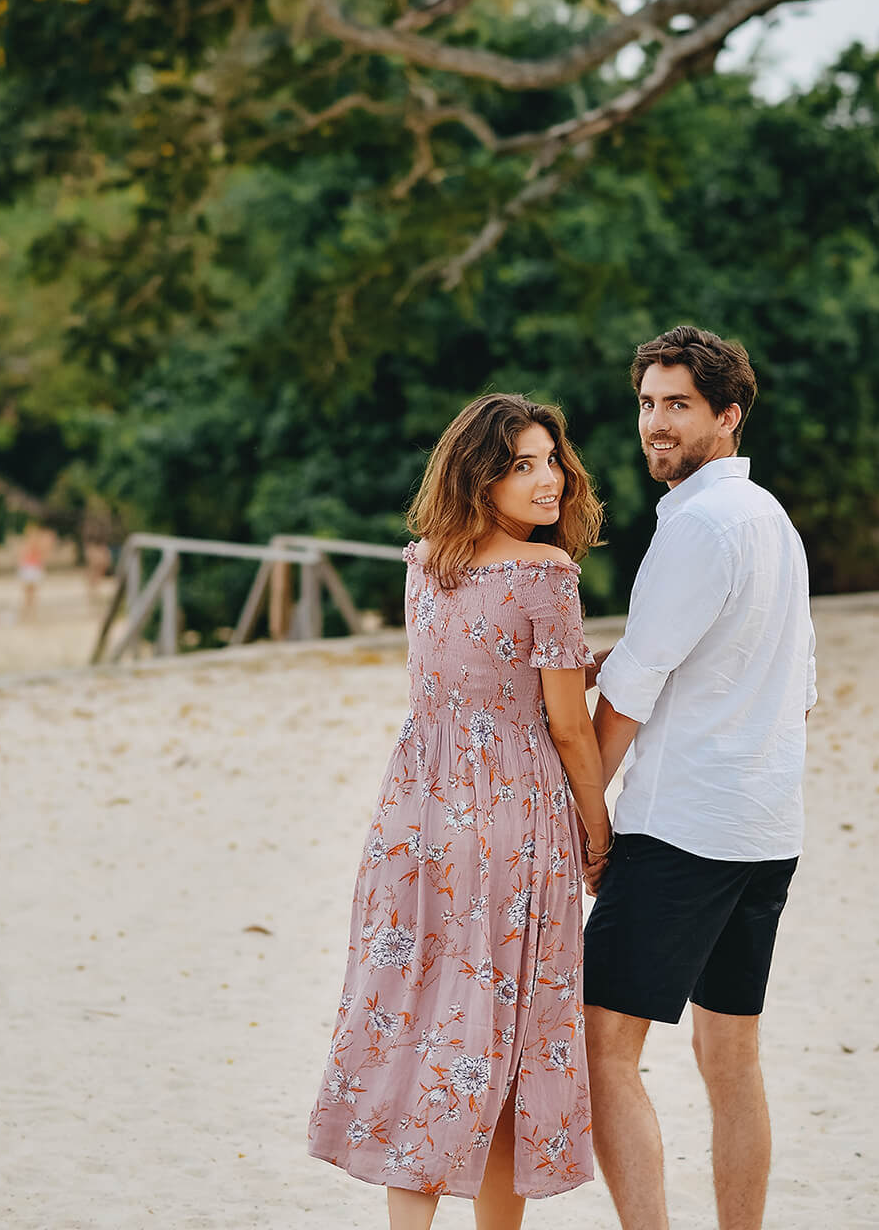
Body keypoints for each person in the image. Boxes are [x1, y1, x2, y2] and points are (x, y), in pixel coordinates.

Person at [307, 393, 610, 1229]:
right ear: (482, 477)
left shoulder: (424, 560)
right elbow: (566, 731)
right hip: (511, 820)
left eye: (552, 459)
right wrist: (598, 828)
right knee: (506, 1043)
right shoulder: (547, 576)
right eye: (523, 465)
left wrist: (580, 665)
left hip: (418, 817)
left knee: (429, 1027)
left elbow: (477, 674)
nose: (549, 479)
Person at [583, 326, 816, 1230]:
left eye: (678, 405)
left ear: (729, 414)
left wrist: (590, 820)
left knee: (603, 1046)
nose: (656, 423)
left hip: (683, 832)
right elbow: (793, 689)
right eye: (647, 403)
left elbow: (629, 696)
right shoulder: (774, 526)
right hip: (765, 830)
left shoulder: (700, 528)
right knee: (732, 1060)